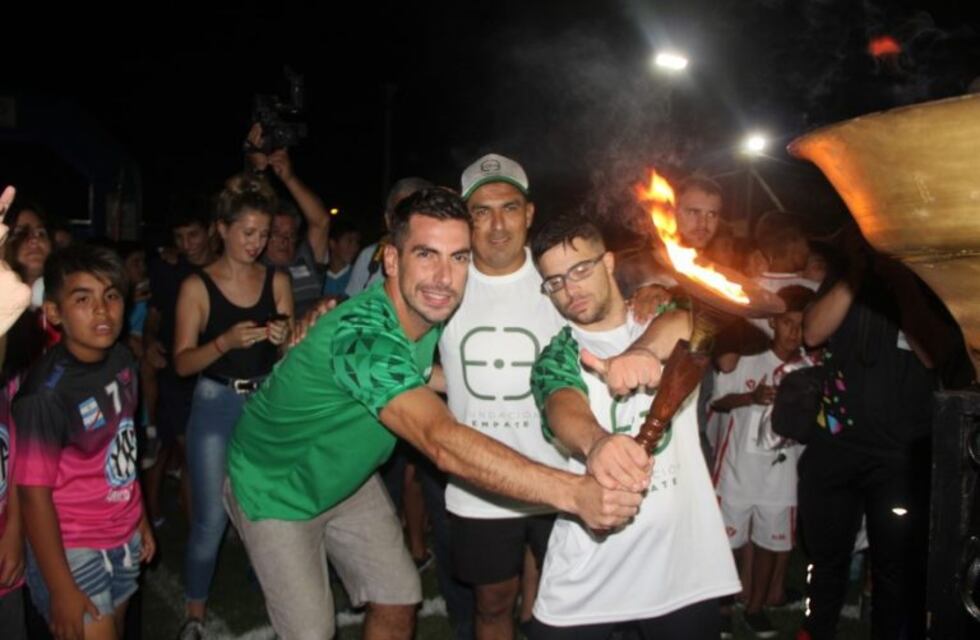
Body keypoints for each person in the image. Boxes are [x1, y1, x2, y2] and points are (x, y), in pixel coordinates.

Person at [225, 188, 645, 640]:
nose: (443, 277)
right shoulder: (362, 338)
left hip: (346, 480)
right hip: (277, 488)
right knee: (312, 633)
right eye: (426, 254)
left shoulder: (427, 312)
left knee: (400, 596)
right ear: (391, 260)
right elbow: (440, 441)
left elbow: (426, 375)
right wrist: (576, 493)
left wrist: (650, 293)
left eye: (458, 257)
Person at [527, 214, 740, 639]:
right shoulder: (558, 353)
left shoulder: (662, 314)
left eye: (580, 269)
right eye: (554, 282)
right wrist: (598, 442)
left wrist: (640, 351)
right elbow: (561, 406)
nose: (570, 290)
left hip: (682, 564)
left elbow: (691, 322)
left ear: (608, 262)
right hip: (592, 557)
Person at [797, 231, 952, 639]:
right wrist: (857, 273)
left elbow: (934, 353)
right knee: (827, 557)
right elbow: (812, 332)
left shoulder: (926, 283)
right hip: (835, 444)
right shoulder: (846, 276)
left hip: (900, 456)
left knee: (894, 567)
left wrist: (901, 280)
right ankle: (816, 630)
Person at [440, 153, 568, 640]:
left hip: (560, 479)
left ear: (529, 213)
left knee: (566, 606)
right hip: (481, 485)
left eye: (509, 209)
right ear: (465, 218)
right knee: (493, 606)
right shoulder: (442, 283)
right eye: (481, 211)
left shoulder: (561, 280)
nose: (497, 226)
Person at [14, 244, 156, 640]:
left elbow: (124, 445)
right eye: (83, 298)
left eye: (111, 296)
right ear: (55, 312)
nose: (101, 310)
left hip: (123, 531)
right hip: (72, 543)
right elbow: (32, 496)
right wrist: (60, 587)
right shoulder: (44, 394)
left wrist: (140, 516)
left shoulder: (123, 361)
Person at [173, 174, 293, 639]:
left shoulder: (276, 279)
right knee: (211, 517)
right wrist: (223, 341)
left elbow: (286, 360)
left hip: (265, 402)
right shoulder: (197, 287)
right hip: (215, 402)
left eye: (263, 234)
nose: (257, 243)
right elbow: (183, 363)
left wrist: (285, 341)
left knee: (270, 510)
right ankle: (195, 614)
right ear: (222, 229)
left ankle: (277, 593)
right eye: (248, 232)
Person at [710, 285, 817, 637]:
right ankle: (724, 606)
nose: (793, 332)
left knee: (771, 544)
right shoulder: (748, 357)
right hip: (737, 470)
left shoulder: (810, 368)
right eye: (787, 322)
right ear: (773, 322)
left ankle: (755, 608)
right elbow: (718, 403)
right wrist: (751, 397)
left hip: (781, 473)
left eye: (801, 325)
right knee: (729, 544)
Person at [142, 203, 216, 528]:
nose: (187, 244)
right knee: (184, 452)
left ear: (211, 230)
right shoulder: (167, 269)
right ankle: (187, 526)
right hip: (175, 373)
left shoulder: (226, 269)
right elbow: (153, 316)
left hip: (215, 373)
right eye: (180, 237)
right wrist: (149, 341)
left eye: (193, 235)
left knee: (196, 454)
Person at [247, 124, 331, 317]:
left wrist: (289, 178)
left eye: (291, 235)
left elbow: (322, 222)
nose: (285, 241)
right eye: (277, 234)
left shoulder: (306, 258)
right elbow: (245, 213)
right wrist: (256, 170)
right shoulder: (254, 261)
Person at [345, 177, 433, 296]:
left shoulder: (444, 263)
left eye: (418, 214)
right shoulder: (369, 257)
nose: (409, 224)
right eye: (400, 215)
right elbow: (351, 305)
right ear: (388, 220)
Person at [321, 218, 361, 298]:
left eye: (357, 242)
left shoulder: (358, 274)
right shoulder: (319, 276)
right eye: (349, 241)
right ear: (332, 244)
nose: (355, 247)